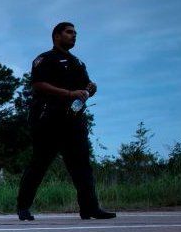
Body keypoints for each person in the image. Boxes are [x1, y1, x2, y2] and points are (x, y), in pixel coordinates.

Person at [16, 22, 116, 221]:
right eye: (69, 32)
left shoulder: (78, 63)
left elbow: (84, 88)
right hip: (48, 120)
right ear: (56, 36)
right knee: (39, 164)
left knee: (82, 166)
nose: (74, 36)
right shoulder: (45, 59)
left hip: (74, 121)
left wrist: (90, 89)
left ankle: (90, 208)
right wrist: (69, 93)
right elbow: (38, 84)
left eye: (75, 33)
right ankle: (23, 207)